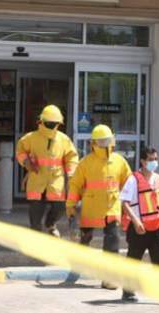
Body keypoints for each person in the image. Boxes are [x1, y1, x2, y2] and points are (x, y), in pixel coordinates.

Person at [66, 124, 132, 289]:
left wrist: (129, 205)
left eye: (106, 141)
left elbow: (129, 183)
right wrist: (70, 205)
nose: (104, 144)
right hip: (92, 209)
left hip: (112, 209)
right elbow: (75, 185)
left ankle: (109, 278)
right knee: (85, 240)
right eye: (101, 141)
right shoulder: (86, 163)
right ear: (93, 143)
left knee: (112, 243)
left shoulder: (119, 161)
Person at [16, 105, 78, 236]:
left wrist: (71, 173)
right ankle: (36, 232)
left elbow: (71, 157)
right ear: (41, 122)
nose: (52, 126)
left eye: (54, 124)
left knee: (59, 206)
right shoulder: (31, 138)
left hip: (56, 179)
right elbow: (20, 150)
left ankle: (50, 224)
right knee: (36, 208)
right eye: (49, 123)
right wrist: (27, 162)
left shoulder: (63, 139)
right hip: (37, 177)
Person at [119, 147, 159, 302]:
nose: (154, 162)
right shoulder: (133, 179)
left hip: (157, 227)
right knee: (133, 259)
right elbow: (124, 203)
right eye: (151, 160)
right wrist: (135, 220)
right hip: (139, 228)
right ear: (143, 161)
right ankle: (128, 291)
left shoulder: (158, 179)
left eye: (156, 159)